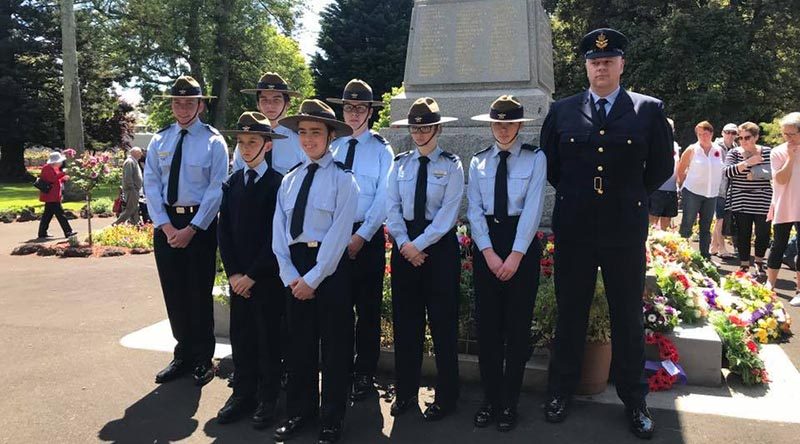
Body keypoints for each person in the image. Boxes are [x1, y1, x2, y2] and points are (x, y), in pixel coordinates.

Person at [540, 28, 674, 439]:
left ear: (621, 64)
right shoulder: (562, 110)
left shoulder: (648, 110)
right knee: (571, 313)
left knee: (627, 317)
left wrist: (627, 198)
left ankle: (635, 400)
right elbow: (553, 167)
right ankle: (561, 391)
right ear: (586, 66)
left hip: (622, 229)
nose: (601, 67)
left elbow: (661, 168)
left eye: (608, 60)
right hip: (576, 229)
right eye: (594, 61)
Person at [272, 99, 357, 444]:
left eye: (316, 133)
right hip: (295, 271)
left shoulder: (343, 180)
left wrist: (313, 279)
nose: (308, 139)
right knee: (299, 347)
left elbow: (337, 238)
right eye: (303, 133)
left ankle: (331, 419)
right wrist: (290, 275)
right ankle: (299, 411)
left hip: (329, 272)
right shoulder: (289, 180)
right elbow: (278, 232)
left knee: (335, 349)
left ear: (330, 136)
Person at [467, 95, 546, 432]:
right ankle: (490, 399)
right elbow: (473, 209)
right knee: (487, 330)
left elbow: (533, 208)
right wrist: (487, 252)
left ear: (519, 126)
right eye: (497, 123)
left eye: (508, 123)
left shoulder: (535, 158)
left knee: (515, 330)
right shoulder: (478, 161)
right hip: (488, 247)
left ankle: (509, 403)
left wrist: (515, 255)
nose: (502, 128)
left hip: (521, 247)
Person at [143, 75, 228, 386]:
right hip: (166, 225)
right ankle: (183, 353)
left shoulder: (213, 141)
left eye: (189, 102)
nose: (182, 107)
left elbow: (217, 188)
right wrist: (164, 225)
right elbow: (150, 184)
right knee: (174, 293)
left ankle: (204, 358)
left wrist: (193, 228)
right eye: (177, 102)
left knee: (197, 292)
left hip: (199, 226)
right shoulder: (159, 139)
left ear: (201, 105)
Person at [386, 97, 464, 421]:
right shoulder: (400, 164)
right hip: (406, 251)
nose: (419, 133)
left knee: (443, 327)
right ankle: (405, 393)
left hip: (439, 250)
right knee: (407, 327)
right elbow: (391, 207)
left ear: (438, 128)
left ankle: (447, 396)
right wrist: (405, 244)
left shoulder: (452, 164)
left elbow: (448, 215)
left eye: (427, 127)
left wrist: (417, 245)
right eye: (415, 128)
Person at [215, 112, 287, 428]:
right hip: (239, 278)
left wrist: (253, 275)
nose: (246, 148)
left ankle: (268, 398)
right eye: (242, 142)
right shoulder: (232, 184)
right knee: (241, 336)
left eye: (253, 142)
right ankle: (243, 393)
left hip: (266, 278)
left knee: (269, 339)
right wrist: (233, 274)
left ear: (267, 145)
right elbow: (225, 233)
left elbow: (277, 237)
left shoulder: (278, 184)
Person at [327, 79, 395, 400]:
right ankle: (339, 369)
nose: (353, 113)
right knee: (338, 311)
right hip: (334, 240)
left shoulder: (382, 150)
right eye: (348, 107)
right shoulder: (333, 147)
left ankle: (364, 372)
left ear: (370, 111)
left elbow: (383, 199)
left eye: (360, 108)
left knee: (367, 312)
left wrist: (360, 236)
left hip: (365, 242)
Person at [723, 122, 772, 279]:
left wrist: (756, 173)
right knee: (743, 233)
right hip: (741, 198)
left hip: (763, 198)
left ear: (756, 137)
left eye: (747, 137)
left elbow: (775, 172)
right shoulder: (734, 153)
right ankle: (744, 264)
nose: (743, 141)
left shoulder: (767, 152)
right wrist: (747, 163)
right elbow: (727, 172)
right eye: (740, 137)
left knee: (763, 233)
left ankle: (759, 262)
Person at [234, 72, 306, 174]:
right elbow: (238, 176)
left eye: (276, 100)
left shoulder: (300, 140)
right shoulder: (246, 139)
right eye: (264, 100)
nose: (270, 105)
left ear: (287, 104)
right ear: (258, 104)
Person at [676, 121, 725, 258]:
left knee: (706, 226)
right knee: (687, 222)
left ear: (711, 134)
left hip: (711, 194)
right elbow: (680, 170)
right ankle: (681, 254)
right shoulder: (692, 149)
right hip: (692, 192)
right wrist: (682, 187)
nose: (703, 137)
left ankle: (705, 256)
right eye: (699, 134)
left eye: (705, 134)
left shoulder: (718, 150)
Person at [766, 112, 800, 306]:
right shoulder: (777, 151)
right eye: (785, 134)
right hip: (784, 205)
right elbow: (779, 179)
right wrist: (790, 158)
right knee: (778, 244)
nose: (788, 138)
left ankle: (799, 290)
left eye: (792, 134)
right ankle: (770, 283)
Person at [711, 123, 738, 257]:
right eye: (728, 132)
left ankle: (713, 247)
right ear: (722, 132)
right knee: (720, 218)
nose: (730, 135)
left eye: (733, 133)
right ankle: (721, 248)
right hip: (717, 187)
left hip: (728, 188)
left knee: (721, 218)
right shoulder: (716, 148)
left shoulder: (735, 148)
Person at [648, 118, 680, 230]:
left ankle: (663, 246)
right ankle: (650, 246)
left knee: (666, 222)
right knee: (652, 223)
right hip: (656, 189)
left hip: (671, 190)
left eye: (671, 128)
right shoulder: (653, 142)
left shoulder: (675, 145)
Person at [37, 152, 77, 239]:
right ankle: (68, 231)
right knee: (60, 214)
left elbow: (56, 180)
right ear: (55, 162)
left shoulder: (54, 168)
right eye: (60, 162)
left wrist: (63, 179)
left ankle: (42, 233)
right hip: (51, 196)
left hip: (53, 195)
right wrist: (62, 174)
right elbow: (52, 179)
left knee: (47, 215)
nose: (61, 163)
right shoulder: (47, 168)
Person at [113, 147, 144, 225]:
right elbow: (128, 177)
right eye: (139, 152)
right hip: (131, 190)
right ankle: (115, 224)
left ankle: (135, 225)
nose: (141, 154)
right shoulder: (130, 162)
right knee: (130, 209)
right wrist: (132, 188)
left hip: (135, 190)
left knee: (135, 208)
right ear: (134, 153)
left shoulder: (134, 161)